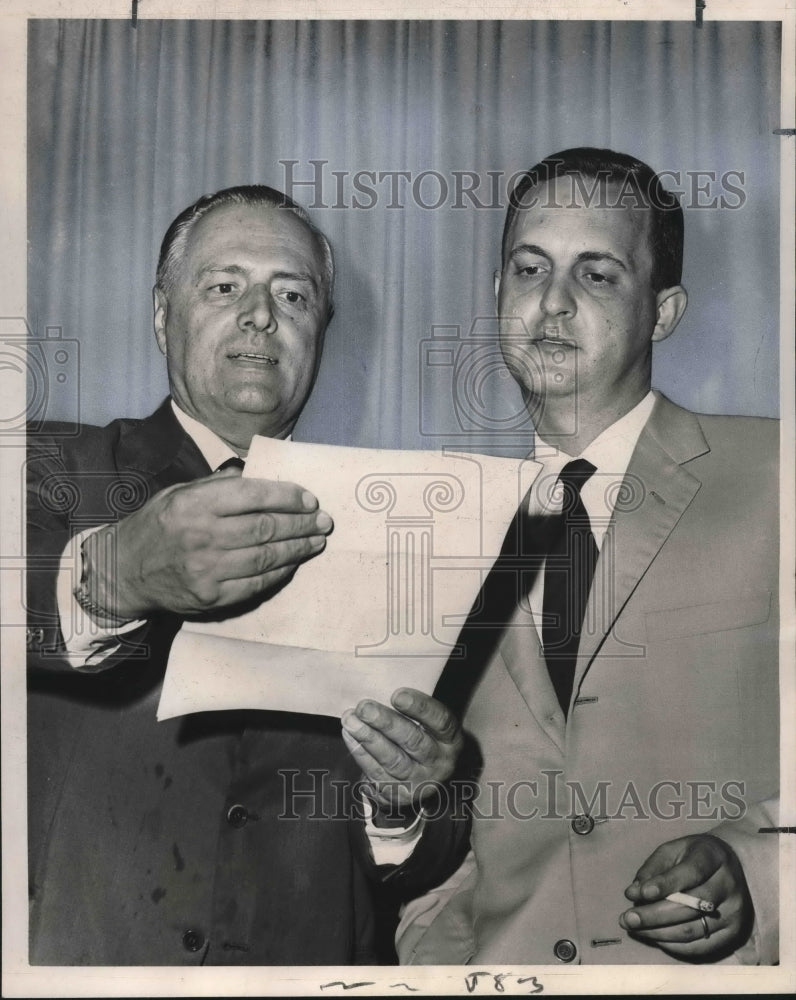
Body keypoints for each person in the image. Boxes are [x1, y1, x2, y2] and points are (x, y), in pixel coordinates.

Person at [25, 185, 465, 965]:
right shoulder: (47, 467)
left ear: (320, 332)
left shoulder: (405, 533)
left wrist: (404, 801)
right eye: (225, 285)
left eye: (292, 294)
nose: (261, 315)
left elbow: (429, 863)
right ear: (163, 314)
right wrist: (113, 572)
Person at [395, 149, 779, 965]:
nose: (554, 303)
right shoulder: (436, 523)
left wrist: (763, 872)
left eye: (597, 275)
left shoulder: (778, 478)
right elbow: (450, 854)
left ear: (664, 312)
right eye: (529, 268)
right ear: (498, 294)